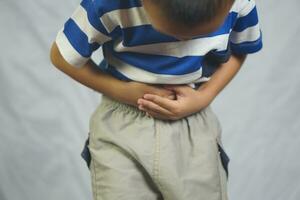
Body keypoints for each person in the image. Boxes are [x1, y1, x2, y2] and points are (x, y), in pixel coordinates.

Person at [50, 0, 263, 199]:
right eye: (173, 32)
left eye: (200, 34)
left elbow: (239, 48)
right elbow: (62, 56)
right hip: (121, 130)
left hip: (193, 129)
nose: (184, 41)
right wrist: (123, 91)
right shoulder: (108, 4)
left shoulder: (241, 4)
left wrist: (203, 97)